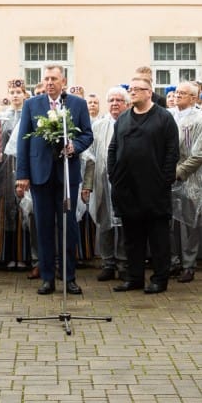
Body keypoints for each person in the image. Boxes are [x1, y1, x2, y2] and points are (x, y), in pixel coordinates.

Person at [16, 64, 93, 296]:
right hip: (40, 175)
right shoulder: (31, 105)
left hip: (67, 174)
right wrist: (22, 175)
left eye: (54, 79)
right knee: (44, 227)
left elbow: (87, 134)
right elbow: (23, 141)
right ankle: (47, 278)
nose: (49, 83)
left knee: (68, 227)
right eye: (46, 79)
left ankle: (69, 277)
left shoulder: (77, 104)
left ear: (63, 81)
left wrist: (74, 146)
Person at [107, 75, 179, 294]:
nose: (133, 92)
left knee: (158, 238)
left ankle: (159, 279)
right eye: (131, 89)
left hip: (154, 188)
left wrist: (165, 180)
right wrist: (113, 175)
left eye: (138, 89)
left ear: (149, 92)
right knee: (132, 238)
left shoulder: (164, 117)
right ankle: (134, 277)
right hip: (127, 188)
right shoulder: (123, 118)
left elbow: (172, 151)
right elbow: (113, 148)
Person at [169, 81, 202, 282]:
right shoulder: (168, 116)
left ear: (194, 98)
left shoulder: (200, 119)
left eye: (183, 93)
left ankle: (189, 265)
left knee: (189, 223)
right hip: (167, 178)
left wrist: (179, 171)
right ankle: (173, 261)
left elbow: (200, 152)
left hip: (190, 177)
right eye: (177, 92)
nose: (177, 95)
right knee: (170, 223)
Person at [0, 79, 32, 271]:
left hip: (24, 168)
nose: (15, 95)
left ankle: (24, 256)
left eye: (18, 92)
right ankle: (7, 255)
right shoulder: (2, 118)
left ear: (24, 94)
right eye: (12, 92)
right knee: (7, 210)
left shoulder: (30, 115)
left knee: (24, 209)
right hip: (6, 171)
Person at [89, 86, 128, 281]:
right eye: (111, 100)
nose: (115, 104)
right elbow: (90, 157)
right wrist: (88, 185)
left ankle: (123, 263)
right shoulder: (98, 126)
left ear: (126, 104)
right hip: (102, 182)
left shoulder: (131, 123)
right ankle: (108, 263)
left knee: (124, 224)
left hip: (126, 183)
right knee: (105, 222)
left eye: (119, 100)